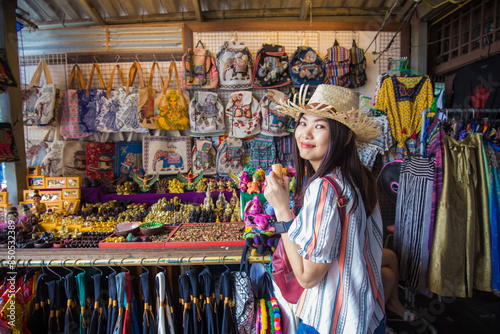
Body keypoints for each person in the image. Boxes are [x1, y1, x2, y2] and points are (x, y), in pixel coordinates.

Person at [264, 84, 385, 334]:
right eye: (302, 123)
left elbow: (308, 278)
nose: (305, 134)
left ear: (346, 137)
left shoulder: (325, 187)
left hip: (332, 321)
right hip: (366, 313)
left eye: (320, 126)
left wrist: (281, 209)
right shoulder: (360, 177)